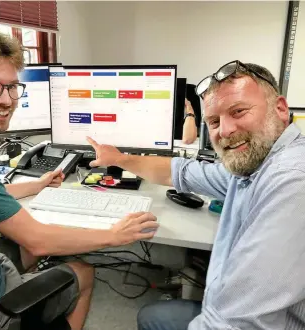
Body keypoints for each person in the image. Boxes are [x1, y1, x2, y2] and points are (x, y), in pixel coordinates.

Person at [0, 25, 158, 330]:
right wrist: (115, 235)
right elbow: (39, 241)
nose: (6, 100)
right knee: (83, 270)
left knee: (22, 251)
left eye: (12, 86)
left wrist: (37, 184)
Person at [86, 60, 305, 329]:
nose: (224, 131)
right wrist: (119, 158)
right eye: (213, 121)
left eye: (238, 111)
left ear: (281, 109)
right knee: (151, 315)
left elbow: (236, 324)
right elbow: (180, 172)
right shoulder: (255, 165)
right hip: (223, 304)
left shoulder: (292, 180)